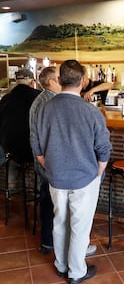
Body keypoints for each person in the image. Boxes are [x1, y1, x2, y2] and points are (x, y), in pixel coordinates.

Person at [31, 59, 112, 284]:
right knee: (79, 224)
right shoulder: (91, 111)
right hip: (84, 177)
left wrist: (47, 163)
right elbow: (104, 148)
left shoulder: (44, 108)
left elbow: (36, 143)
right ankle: (76, 272)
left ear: (59, 80)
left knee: (60, 220)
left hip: (55, 175)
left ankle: (61, 265)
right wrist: (98, 170)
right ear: (83, 81)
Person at [29, 66, 97, 256]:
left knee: (52, 204)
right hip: (52, 164)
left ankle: (51, 243)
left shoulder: (44, 99)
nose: (60, 81)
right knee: (62, 210)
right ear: (53, 81)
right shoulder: (51, 101)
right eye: (58, 78)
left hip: (48, 161)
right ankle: (69, 248)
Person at [0, 68, 40, 164]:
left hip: (9, 147)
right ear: (31, 83)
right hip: (31, 148)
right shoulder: (38, 97)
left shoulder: (6, 99)